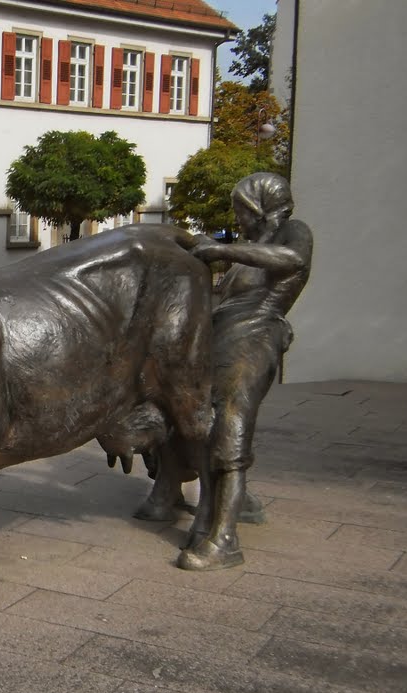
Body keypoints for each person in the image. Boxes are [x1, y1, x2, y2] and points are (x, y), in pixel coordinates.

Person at [178, 172, 313, 570]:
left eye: (241, 210)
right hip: (222, 341)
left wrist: (226, 251)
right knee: (205, 427)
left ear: (260, 208)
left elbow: (293, 261)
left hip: (253, 341)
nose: (237, 218)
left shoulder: (294, 233)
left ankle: (225, 541)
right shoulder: (252, 247)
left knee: (231, 430)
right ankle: (222, 509)